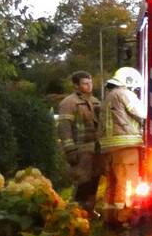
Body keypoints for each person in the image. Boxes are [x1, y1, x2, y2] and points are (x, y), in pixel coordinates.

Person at [98, 67, 146, 225]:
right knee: (128, 183)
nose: (134, 90)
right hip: (125, 146)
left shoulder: (108, 96)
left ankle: (109, 218)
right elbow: (142, 112)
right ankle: (124, 217)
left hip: (109, 147)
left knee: (113, 183)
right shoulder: (124, 93)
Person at [57, 71, 101, 212]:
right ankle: (76, 212)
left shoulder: (95, 101)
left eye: (90, 83)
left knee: (94, 181)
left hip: (96, 149)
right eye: (85, 83)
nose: (89, 86)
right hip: (80, 150)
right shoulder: (68, 103)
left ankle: (89, 210)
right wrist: (70, 150)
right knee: (82, 182)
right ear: (76, 86)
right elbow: (64, 128)